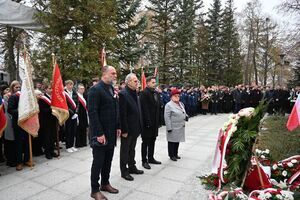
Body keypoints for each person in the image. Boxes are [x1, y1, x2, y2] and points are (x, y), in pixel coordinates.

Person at [88, 65, 121, 200]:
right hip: (100, 134)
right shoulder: (95, 90)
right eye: (113, 73)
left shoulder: (111, 88)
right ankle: (94, 190)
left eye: (115, 73)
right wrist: (99, 133)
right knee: (98, 162)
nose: (115, 75)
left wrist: (118, 126)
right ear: (104, 74)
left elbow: (115, 109)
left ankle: (105, 183)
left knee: (108, 160)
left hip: (111, 132)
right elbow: (93, 113)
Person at [119, 73, 144, 181]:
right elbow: (122, 114)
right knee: (125, 150)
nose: (137, 82)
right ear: (128, 82)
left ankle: (132, 167)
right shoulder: (123, 94)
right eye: (135, 81)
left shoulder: (135, 93)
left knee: (132, 149)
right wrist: (124, 130)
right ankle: (124, 171)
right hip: (127, 129)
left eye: (137, 80)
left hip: (135, 128)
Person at [7, 81, 30, 171]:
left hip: (26, 122)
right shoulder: (13, 97)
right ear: (12, 88)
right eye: (16, 87)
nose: (18, 89)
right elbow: (10, 110)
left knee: (27, 142)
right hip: (18, 123)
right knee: (19, 143)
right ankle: (19, 162)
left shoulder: (24, 96)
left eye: (19, 87)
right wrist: (21, 110)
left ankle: (27, 159)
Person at [140, 76, 162, 170]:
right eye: (153, 82)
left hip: (155, 122)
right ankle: (144, 161)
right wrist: (148, 122)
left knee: (153, 140)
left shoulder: (156, 93)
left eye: (155, 82)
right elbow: (144, 109)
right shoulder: (144, 93)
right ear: (148, 83)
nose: (155, 84)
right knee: (145, 142)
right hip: (147, 123)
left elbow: (157, 107)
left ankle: (151, 157)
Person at [164, 88, 188, 161]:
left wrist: (186, 116)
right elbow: (166, 117)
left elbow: (183, 111)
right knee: (172, 141)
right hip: (173, 126)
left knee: (177, 140)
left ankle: (175, 153)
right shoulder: (168, 105)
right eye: (175, 96)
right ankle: (171, 155)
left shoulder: (181, 103)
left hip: (180, 126)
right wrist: (169, 128)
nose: (177, 97)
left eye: (178, 96)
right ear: (171, 97)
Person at [38, 84, 58, 159]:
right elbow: (42, 110)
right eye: (49, 88)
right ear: (45, 89)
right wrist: (51, 108)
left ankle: (52, 151)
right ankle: (47, 152)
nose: (51, 90)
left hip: (53, 120)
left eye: (52, 88)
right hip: (46, 121)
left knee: (53, 136)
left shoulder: (53, 98)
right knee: (47, 137)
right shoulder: (42, 98)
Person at [64, 80, 79, 153]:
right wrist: (72, 113)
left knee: (73, 130)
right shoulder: (64, 93)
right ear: (66, 85)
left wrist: (76, 112)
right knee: (68, 131)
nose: (70, 86)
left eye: (71, 85)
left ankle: (72, 145)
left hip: (75, 115)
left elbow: (77, 103)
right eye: (69, 85)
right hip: (68, 114)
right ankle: (68, 146)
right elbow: (65, 105)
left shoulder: (75, 92)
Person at [75, 84, 88, 148]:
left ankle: (83, 142)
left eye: (83, 89)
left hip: (84, 114)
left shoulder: (85, 96)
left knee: (84, 128)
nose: (82, 90)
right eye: (81, 89)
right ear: (78, 89)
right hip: (79, 114)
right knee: (79, 129)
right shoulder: (76, 96)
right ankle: (78, 143)